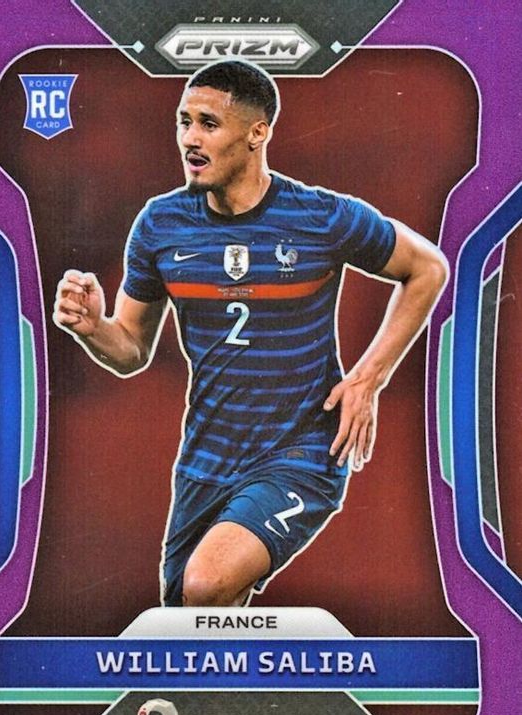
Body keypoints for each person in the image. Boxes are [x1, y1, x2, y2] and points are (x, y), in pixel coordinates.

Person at [54, 59, 448, 608]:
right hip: (206, 460)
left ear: (257, 133)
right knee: (190, 621)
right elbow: (131, 350)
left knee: (205, 583)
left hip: (300, 450)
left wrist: (367, 379)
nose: (190, 139)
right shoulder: (160, 224)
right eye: (184, 121)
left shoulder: (319, 216)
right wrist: (93, 327)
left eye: (208, 124)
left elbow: (427, 268)